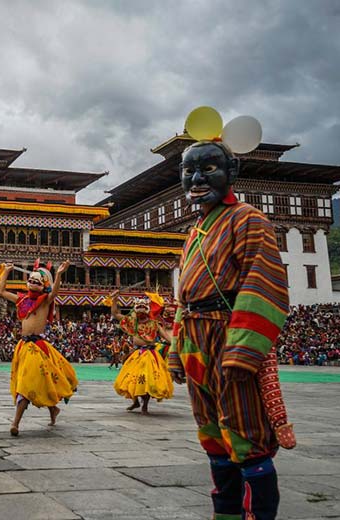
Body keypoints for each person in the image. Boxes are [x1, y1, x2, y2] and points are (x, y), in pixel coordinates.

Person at [169, 140, 293, 519]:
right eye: (189, 170)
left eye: (208, 169)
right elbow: (184, 296)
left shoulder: (248, 219)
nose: (196, 178)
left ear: (232, 172)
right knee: (212, 436)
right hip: (195, 337)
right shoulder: (196, 231)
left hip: (227, 336)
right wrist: (176, 349)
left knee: (246, 433)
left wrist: (242, 349)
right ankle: (225, 514)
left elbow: (264, 282)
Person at [0, 261, 78, 436]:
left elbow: (55, 292)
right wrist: (6, 272)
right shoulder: (22, 300)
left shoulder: (45, 301)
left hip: (37, 347)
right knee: (39, 384)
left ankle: (15, 423)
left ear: (44, 285)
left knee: (26, 384)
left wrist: (58, 275)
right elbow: (0, 292)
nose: (33, 282)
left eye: (37, 281)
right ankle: (53, 409)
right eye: (31, 279)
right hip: (24, 346)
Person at [110, 293, 173, 414]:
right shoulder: (133, 322)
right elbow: (116, 314)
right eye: (138, 308)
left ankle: (145, 405)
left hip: (150, 354)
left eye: (143, 308)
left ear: (147, 310)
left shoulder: (154, 324)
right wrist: (114, 300)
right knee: (132, 379)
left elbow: (166, 336)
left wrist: (174, 345)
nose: (140, 311)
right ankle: (135, 401)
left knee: (147, 380)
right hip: (137, 353)